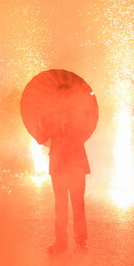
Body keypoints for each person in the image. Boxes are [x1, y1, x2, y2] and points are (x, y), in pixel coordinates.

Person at [43, 84, 90, 254]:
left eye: (66, 96)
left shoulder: (80, 115)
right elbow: (42, 137)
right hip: (58, 165)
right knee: (60, 204)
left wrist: (69, 123)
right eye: (60, 97)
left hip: (76, 164)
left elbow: (84, 133)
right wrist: (44, 126)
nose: (63, 100)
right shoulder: (50, 116)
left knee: (78, 202)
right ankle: (60, 242)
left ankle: (81, 239)